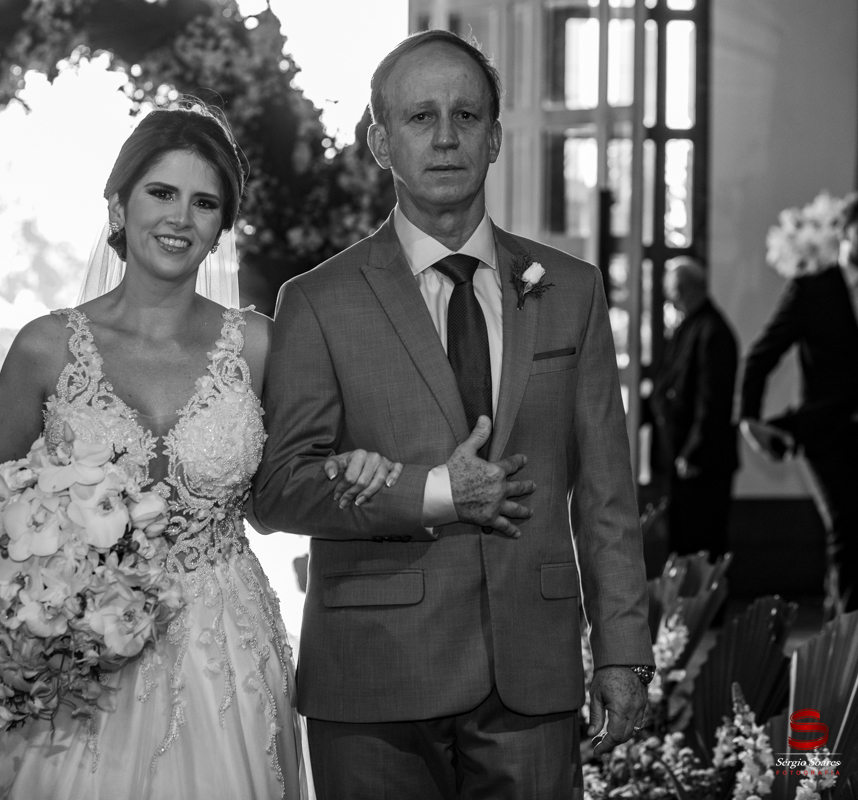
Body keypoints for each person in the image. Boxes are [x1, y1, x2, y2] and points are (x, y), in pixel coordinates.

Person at [0, 104, 395, 799]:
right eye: (161, 192)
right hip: (75, 650)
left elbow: (282, 493)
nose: (180, 217)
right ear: (119, 206)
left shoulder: (262, 347)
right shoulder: (42, 350)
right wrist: (47, 608)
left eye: (204, 202)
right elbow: (5, 521)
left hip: (224, 647)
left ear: (221, 226)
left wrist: (348, 467)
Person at [253, 30, 653, 799]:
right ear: (381, 142)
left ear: (494, 139)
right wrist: (433, 492)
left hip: (531, 674)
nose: (445, 137)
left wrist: (622, 649)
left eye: (466, 116)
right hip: (375, 674)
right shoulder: (317, 302)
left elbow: (607, 493)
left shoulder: (570, 290)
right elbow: (276, 492)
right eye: (420, 117)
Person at [740, 189, 858, 613]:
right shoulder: (813, 291)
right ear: (844, 232)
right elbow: (761, 356)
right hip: (830, 436)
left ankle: (846, 628)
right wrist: (749, 418)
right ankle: (851, 640)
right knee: (850, 532)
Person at [649, 257, 739, 557]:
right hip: (683, 460)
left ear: (681, 290)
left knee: (701, 545)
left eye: (670, 292)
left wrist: (693, 452)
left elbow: (713, 401)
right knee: (683, 543)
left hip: (702, 465)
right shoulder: (690, 326)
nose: (669, 300)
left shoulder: (713, 331)